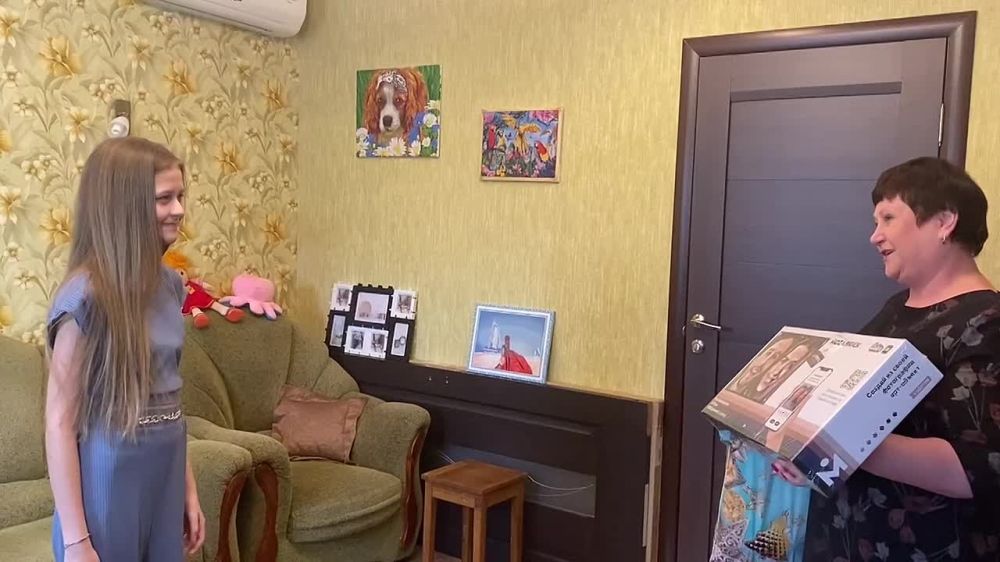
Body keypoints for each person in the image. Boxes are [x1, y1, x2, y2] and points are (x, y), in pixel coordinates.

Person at [774, 157, 1000, 561]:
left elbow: (978, 468)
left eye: (888, 218)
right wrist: (815, 461)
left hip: (925, 546)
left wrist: (839, 447)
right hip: (851, 536)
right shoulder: (897, 308)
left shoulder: (987, 322)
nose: (874, 236)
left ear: (944, 221)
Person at [45, 137, 205, 561]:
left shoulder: (171, 286)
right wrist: (77, 541)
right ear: (124, 207)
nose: (179, 209)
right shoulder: (84, 299)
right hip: (109, 480)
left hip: (165, 472)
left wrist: (187, 490)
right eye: (164, 199)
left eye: (181, 196)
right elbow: (59, 423)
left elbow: (171, 401)